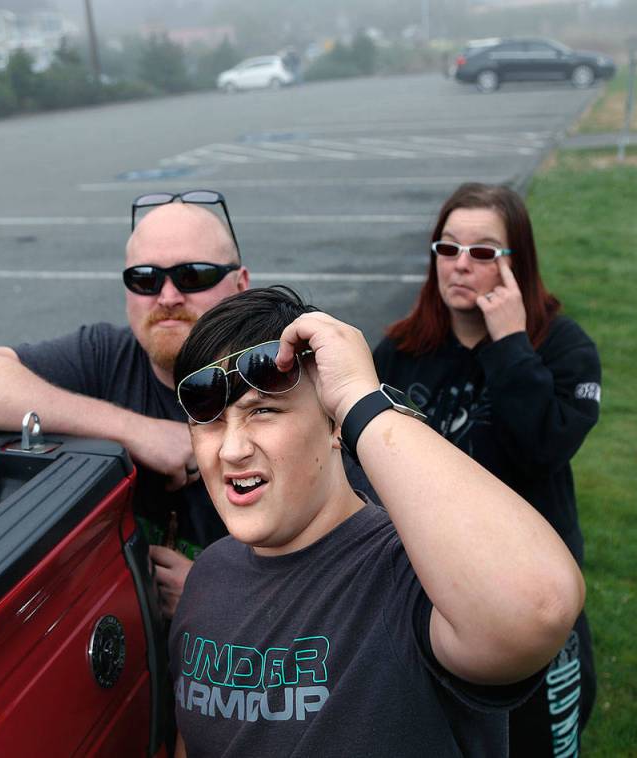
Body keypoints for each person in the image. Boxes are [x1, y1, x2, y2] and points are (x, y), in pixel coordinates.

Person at [169, 286, 586, 757]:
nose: (231, 449)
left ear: (332, 425)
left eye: (264, 410)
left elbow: (537, 607)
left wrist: (360, 400)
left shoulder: (411, 573)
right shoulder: (209, 574)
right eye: (211, 422)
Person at [0, 191, 249, 617]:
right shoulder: (107, 355)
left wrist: (216, 594)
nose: (168, 296)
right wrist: (134, 431)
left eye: (192, 276)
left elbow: (351, 566)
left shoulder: (280, 378)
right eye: (145, 278)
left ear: (241, 284)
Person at [373, 183, 599, 756]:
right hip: (423, 587)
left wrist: (509, 345)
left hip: (527, 589)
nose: (461, 266)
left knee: (534, 741)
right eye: (448, 249)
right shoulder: (400, 351)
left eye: (483, 252)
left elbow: (543, 447)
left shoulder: (564, 349)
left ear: (516, 263)